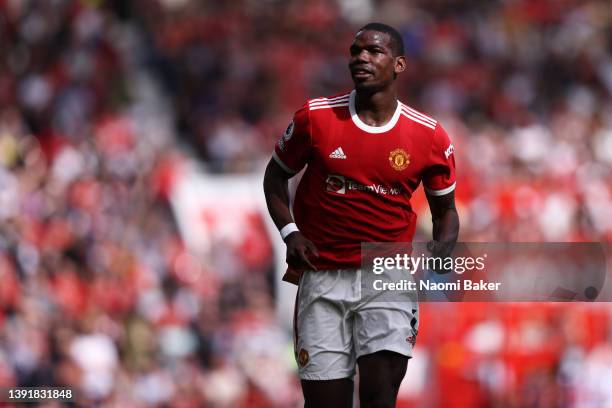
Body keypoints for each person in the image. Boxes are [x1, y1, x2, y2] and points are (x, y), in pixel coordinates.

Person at [263, 22, 459, 408]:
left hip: (388, 277)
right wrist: (290, 232)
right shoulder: (316, 118)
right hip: (322, 277)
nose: (361, 58)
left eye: (373, 51)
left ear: (399, 64)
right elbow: (275, 177)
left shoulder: (429, 136)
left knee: (379, 397)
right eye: (356, 51)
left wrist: (441, 252)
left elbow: (446, 211)